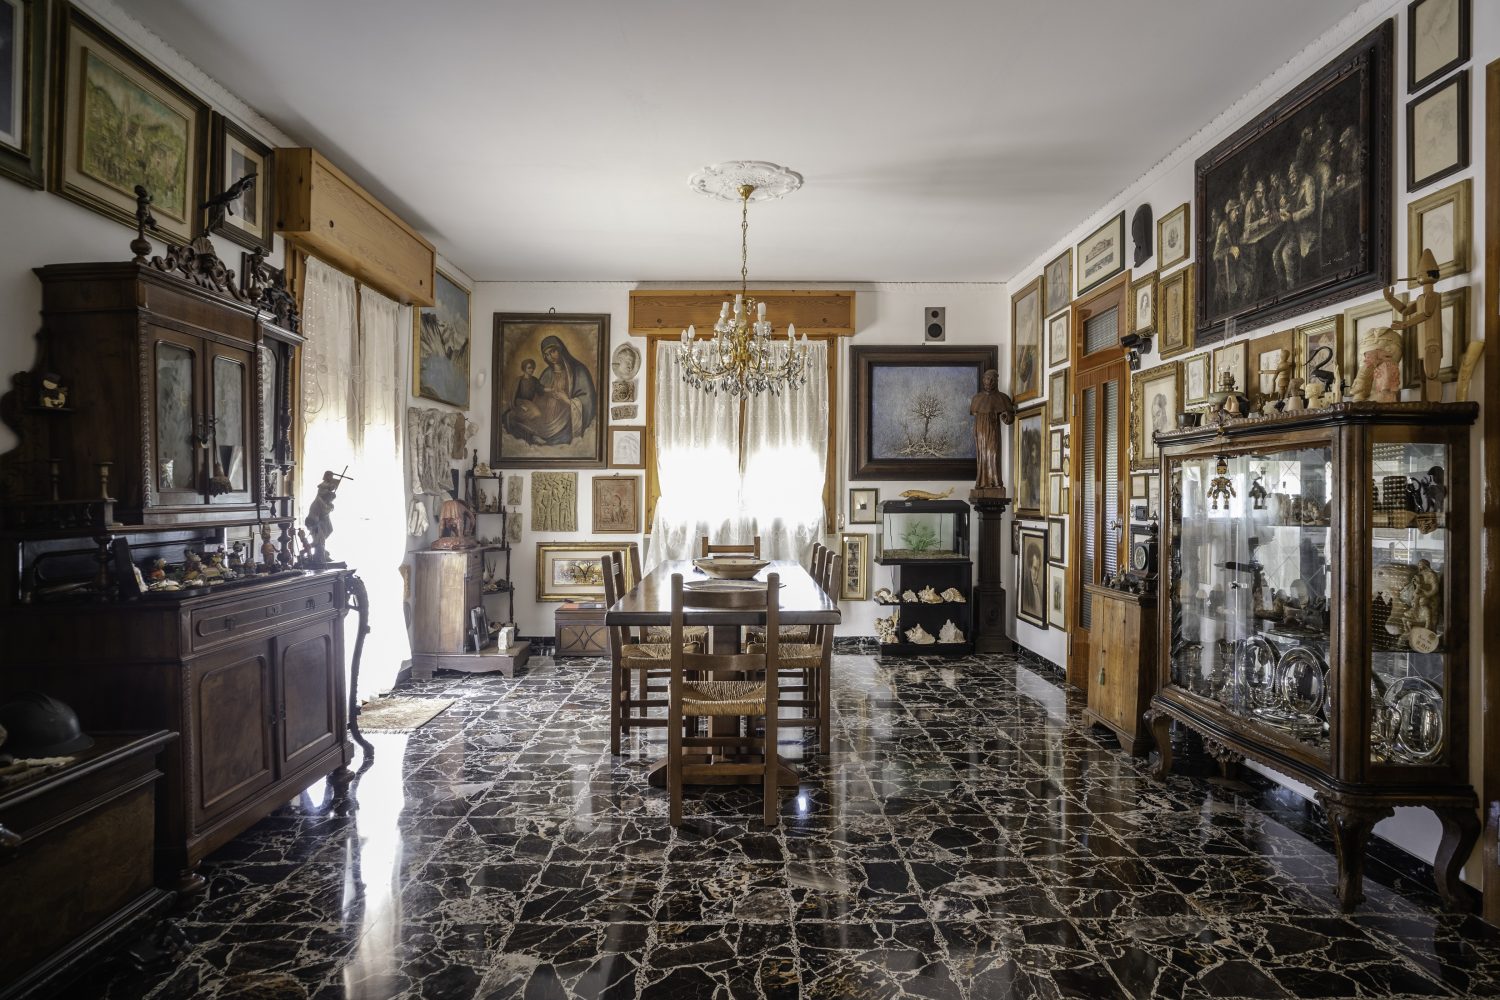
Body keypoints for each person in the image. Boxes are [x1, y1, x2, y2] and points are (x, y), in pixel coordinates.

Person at [503, 335, 598, 446]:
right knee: (513, 418)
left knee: (553, 438)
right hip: (546, 416)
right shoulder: (547, 373)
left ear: (560, 349)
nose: (551, 357)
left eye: (553, 351)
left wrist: (567, 400)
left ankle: (546, 437)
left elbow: (588, 401)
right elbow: (538, 395)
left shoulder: (578, 371)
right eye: (547, 354)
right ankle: (537, 435)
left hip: (564, 418)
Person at [969, 370, 1015, 491]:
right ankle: (982, 482)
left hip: (993, 431)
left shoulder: (1002, 398)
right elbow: (974, 411)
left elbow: (1010, 416)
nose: (988, 382)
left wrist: (1007, 416)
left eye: (991, 379)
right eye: (986, 379)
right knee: (982, 456)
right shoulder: (976, 399)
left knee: (993, 454)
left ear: (996, 381)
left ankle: (995, 482)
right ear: (983, 380)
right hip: (980, 432)